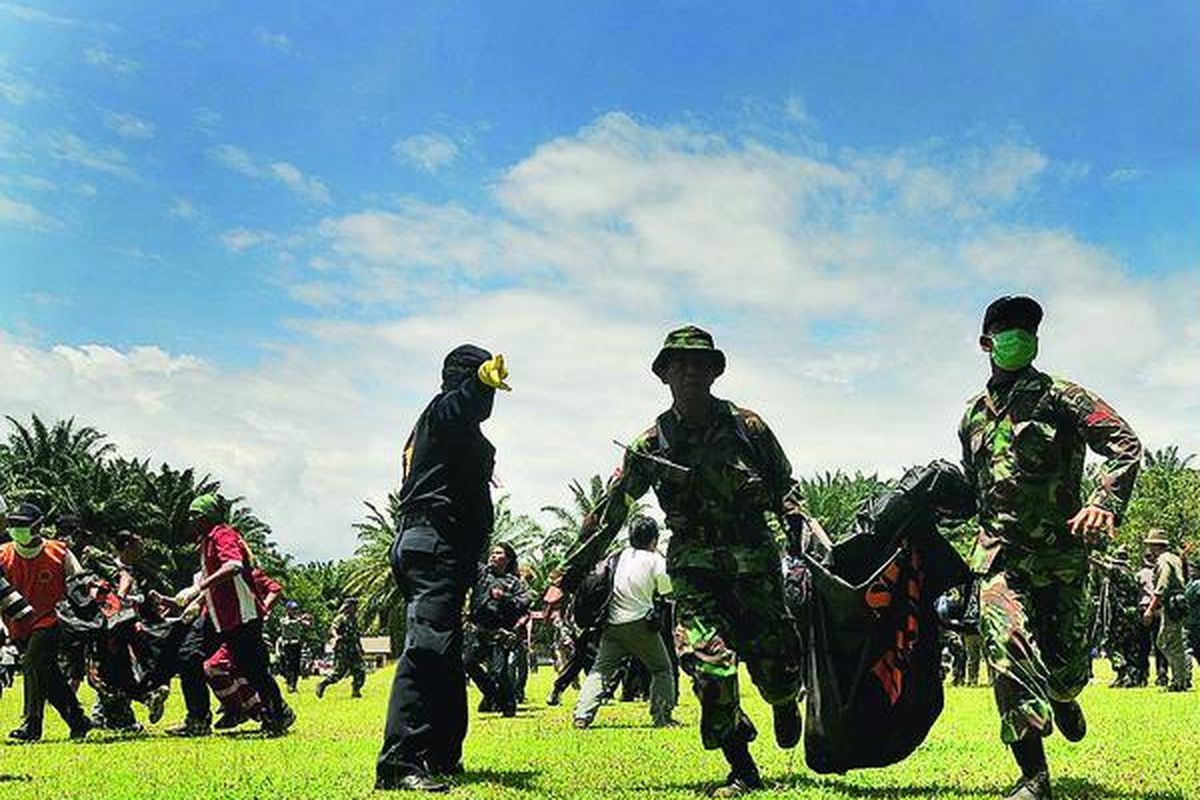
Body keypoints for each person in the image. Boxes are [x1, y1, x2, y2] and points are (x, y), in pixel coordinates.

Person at [562, 325, 805, 797]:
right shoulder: (651, 444)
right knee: (709, 669)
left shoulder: (748, 427)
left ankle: (782, 700)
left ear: (714, 372)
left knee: (777, 670)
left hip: (754, 567)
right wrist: (566, 577)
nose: (690, 372)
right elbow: (610, 514)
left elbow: (785, 486)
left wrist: (798, 530)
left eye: (699, 364)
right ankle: (741, 768)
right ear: (664, 375)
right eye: (679, 364)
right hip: (694, 572)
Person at [958, 296, 1142, 800]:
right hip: (1000, 558)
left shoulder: (1062, 396)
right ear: (986, 343)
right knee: (1005, 646)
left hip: (1062, 557)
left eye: (1027, 328)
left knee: (1065, 673)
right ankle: (1033, 775)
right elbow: (976, 489)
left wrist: (1105, 500)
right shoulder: (972, 415)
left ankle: (1063, 694)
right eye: (1008, 328)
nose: (1020, 335)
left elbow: (1126, 443)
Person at [376, 345, 511, 793]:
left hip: (431, 542)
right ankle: (399, 763)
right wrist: (480, 383)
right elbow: (460, 403)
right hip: (433, 541)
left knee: (447, 647)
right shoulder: (445, 410)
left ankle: (443, 753)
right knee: (429, 646)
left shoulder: (439, 428)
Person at [164, 494, 292, 737]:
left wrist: (200, 587)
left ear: (206, 517)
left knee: (253, 668)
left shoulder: (223, 534)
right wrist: (186, 597)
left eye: (195, 516)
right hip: (216, 615)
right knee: (189, 655)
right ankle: (198, 719)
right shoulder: (206, 542)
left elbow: (233, 565)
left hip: (241, 615)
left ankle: (279, 714)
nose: (191, 521)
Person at [0, 502, 93, 741]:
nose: (15, 529)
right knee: (48, 675)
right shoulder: (3, 555)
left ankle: (32, 723)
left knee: (32, 663)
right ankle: (78, 720)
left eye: (21, 525)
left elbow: (79, 585)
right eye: (13, 525)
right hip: (18, 624)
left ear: (38, 527)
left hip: (52, 621)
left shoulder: (59, 551)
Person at [572, 516, 676, 728]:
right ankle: (661, 717)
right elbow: (667, 590)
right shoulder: (655, 560)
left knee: (600, 670)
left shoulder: (617, 556)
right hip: (640, 625)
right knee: (662, 670)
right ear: (654, 539)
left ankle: (582, 715)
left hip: (612, 625)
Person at [463, 543, 530, 716]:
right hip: (478, 629)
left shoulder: (513, 582)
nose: (493, 556)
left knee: (500, 672)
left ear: (507, 559)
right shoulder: (481, 574)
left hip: (500, 632)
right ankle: (492, 694)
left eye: (498, 553)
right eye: (492, 553)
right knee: (468, 663)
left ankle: (508, 705)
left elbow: (524, 602)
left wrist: (504, 597)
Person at [1142, 531, 1190, 691]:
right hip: (1179, 601)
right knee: (1176, 643)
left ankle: (1179, 681)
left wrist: (1150, 609)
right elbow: (1185, 576)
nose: (1148, 548)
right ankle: (1181, 679)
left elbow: (1161, 587)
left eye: (1150, 544)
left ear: (1156, 545)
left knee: (1166, 642)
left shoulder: (1163, 561)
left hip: (1172, 603)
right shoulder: (1174, 558)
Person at [316, 597, 366, 699]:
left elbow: (356, 635)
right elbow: (333, 628)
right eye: (354, 606)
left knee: (360, 670)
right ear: (348, 607)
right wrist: (336, 636)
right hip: (343, 649)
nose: (356, 608)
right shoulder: (341, 618)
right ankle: (322, 684)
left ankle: (356, 691)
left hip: (353, 648)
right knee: (339, 673)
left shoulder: (354, 619)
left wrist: (360, 647)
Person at [278, 600, 309, 693]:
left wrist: (305, 620)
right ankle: (288, 683)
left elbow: (307, 624)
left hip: (296, 644)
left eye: (296, 609)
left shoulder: (298, 619)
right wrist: (299, 620)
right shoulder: (283, 619)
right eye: (293, 609)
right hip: (287, 645)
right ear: (287, 610)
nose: (295, 611)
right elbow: (287, 624)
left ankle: (293, 685)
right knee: (288, 665)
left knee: (296, 666)